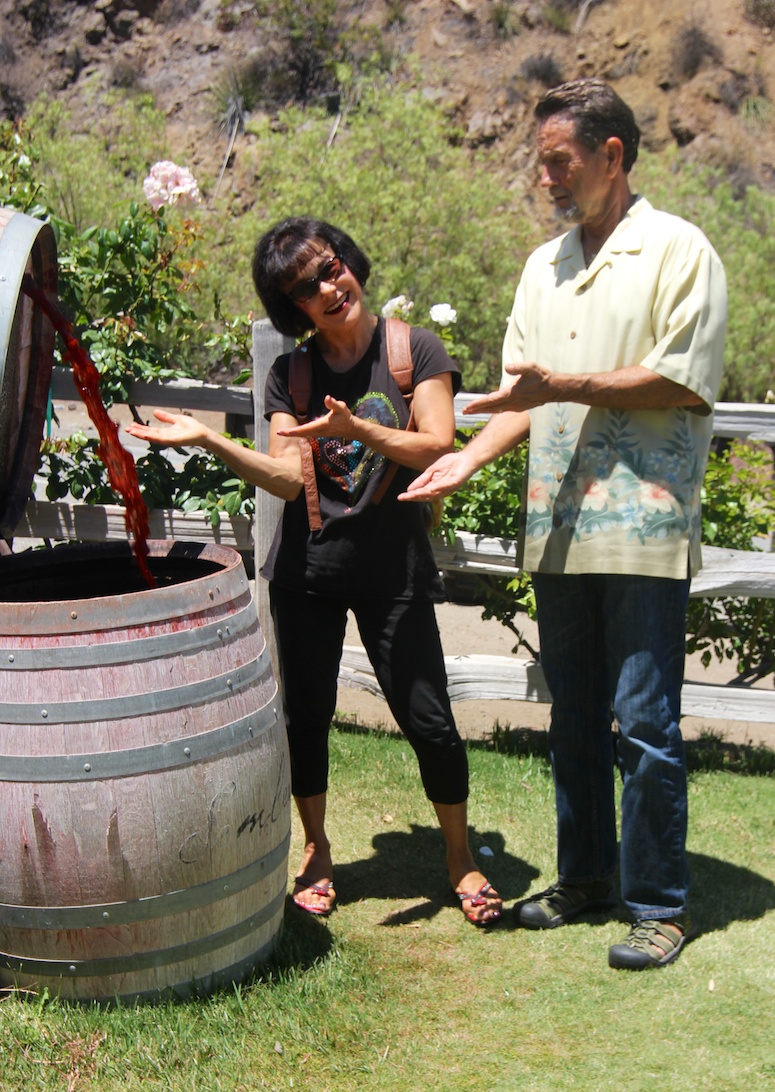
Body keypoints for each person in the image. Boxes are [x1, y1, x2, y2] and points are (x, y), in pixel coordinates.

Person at [400, 79, 727, 969]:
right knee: (574, 715)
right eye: (540, 161)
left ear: (611, 157)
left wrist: (562, 388)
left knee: (646, 719)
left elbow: (682, 378)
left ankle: (659, 905)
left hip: (644, 530)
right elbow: (521, 398)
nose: (545, 177)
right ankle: (585, 879)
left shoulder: (678, 251)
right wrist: (468, 457)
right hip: (558, 528)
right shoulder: (542, 266)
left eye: (561, 161)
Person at [126, 216, 502, 925]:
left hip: (394, 571)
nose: (330, 288)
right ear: (291, 307)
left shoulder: (412, 349)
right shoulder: (290, 373)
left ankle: (460, 857)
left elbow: (437, 446)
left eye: (331, 268)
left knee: (430, 720)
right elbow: (282, 476)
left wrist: (360, 431)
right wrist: (209, 438)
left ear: (349, 262)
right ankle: (318, 849)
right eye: (306, 287)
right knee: (305, 719)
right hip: (307, 571)